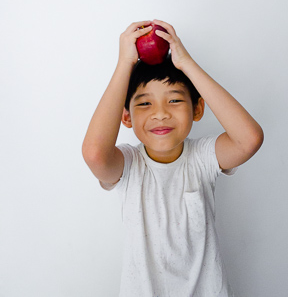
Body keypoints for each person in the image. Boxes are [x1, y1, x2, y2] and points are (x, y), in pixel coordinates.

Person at [82, 19, 264, 297]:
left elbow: (249, 139)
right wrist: (124, 64)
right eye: (144, 103)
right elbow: (95, 153)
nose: (160, 113)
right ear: (126, 117)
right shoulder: (129, 166)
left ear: (197, 108)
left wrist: (186, 63)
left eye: (175, 100)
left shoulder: (202, 158)